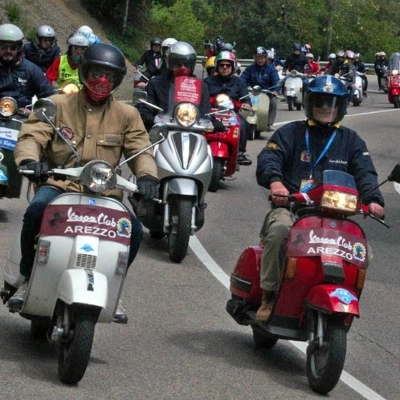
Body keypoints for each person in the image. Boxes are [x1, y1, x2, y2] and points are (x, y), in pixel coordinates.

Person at [8, 43, 159, 324]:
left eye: (109, 76)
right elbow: (32, 135)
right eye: (96, 73)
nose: (101, 82)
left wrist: (148, 177)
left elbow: (142, 148)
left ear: (116, 81)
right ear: (84, 72)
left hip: (105, 191)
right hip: (58, 184)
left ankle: (114, 287)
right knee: (37, 211)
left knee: (134, 231)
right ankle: (28, 278)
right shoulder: (56, 104)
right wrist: (30, 161)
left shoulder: (127, 115)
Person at [254, 75, 384, 321]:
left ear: (342, 107)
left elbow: (365, 173)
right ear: (309, 103)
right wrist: (276, 183)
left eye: (333, 103)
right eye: (321, 102)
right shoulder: (290, 133)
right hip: (292, 208)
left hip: (334, 214)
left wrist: (374, 200)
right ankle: (269, 295)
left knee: (362, 250)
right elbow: (270, 158)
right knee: (280, 231)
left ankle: (344, 298)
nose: (326, 108)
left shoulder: (351, 141)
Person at [136, 41, 224, 132]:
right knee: (141, 144)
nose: (183, 67)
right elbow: (147, 106)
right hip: (162, 131)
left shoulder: (201, 87)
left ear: (192, 65)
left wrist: (214, 122)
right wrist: (147, 115)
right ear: (170, 62)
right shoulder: (156, 83)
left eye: (187, 64)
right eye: (178, 64)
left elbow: (206, 113)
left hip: (193, 130)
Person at [204, 51, 252, 165]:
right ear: (217, 66)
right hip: (210, 113)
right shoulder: (208, 81)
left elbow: (246, 99)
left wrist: (246, 104)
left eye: (228, 65)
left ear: (233, 66)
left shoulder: (239, 82)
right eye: (222, 65)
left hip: (231, 114)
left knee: (244, 124)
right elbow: (201, 97)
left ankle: (240, 152)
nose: (225, 67)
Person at [0, 23, 55, 109]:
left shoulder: (31, 70)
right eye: (3, 47)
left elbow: (49, 97)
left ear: (19, 48)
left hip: (23, 119)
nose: (8, 51)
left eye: (13, 48)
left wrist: (34, 113)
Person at [240, 46, 279, 132]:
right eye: (258, 58)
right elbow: (242, 80)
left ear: (265, 58)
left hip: (267, 93)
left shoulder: (271, 70)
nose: (260, 60)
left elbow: (276, 81)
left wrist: (275, 90)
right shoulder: (250, 69)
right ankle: (240, 121)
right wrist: (241, 87)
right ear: (255, 58)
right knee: (240, 100)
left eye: (262, 58)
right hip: (252, 92)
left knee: (273, 101)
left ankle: (269, 123)